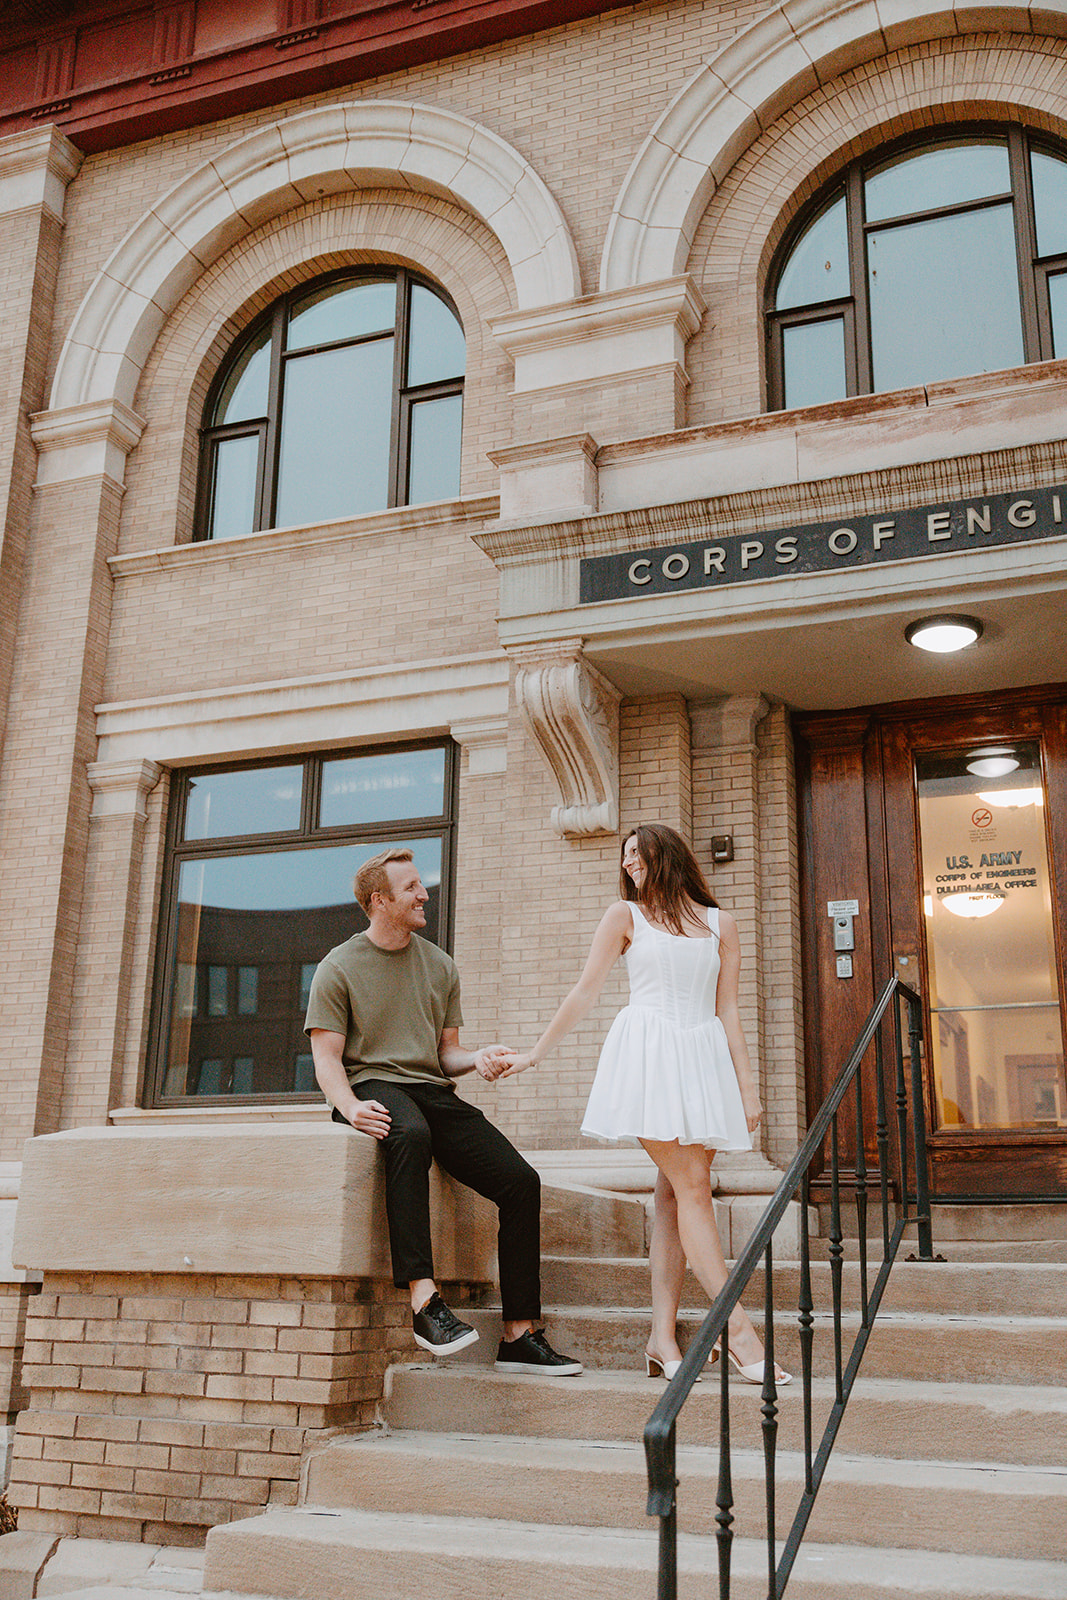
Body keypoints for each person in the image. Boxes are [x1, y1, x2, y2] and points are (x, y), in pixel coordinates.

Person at [503, 823, 790, 1386]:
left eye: (637, 853)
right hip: (649, 1056)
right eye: (625, 857)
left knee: (672, 1196)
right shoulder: (625, 916)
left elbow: (728, 1009)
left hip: (703, 1062)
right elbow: (585, 990)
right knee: (694, 1189)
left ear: (667, 855)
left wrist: (748, 1088)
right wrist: (536, 1053)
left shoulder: (721, 924)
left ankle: (661, 1338)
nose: (629, 863)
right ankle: (737, 1331)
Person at [305, 846, 582, 1377]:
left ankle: (519, 1335)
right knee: (409, 1134)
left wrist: (478, 1059)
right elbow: (327, 1058)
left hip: (430, 1089)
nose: (423, 894)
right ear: (378, 900)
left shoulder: (439, 965)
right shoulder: (337, 966)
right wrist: (349, 1106)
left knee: (520, 1181)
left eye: (420, 885)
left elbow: (444, 1054)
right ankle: (424, 1301)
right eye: (411, 887)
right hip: (370, 1084)